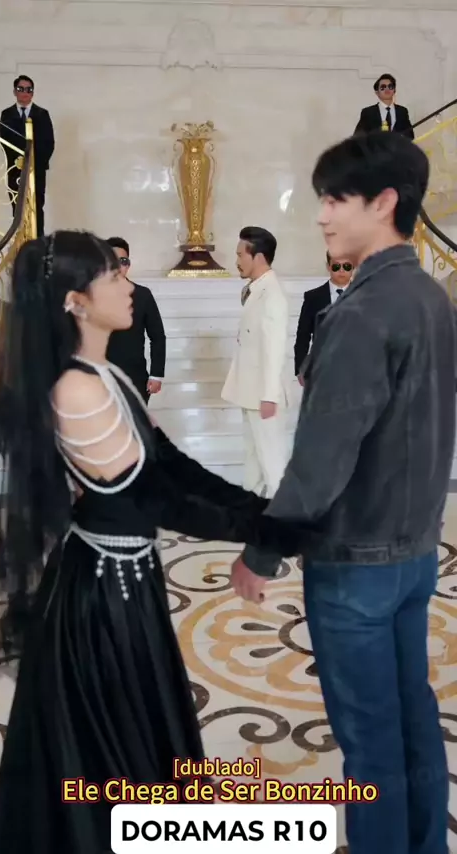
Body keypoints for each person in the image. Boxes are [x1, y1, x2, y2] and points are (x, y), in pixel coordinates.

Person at [0, 230, 297, 854]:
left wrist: (266, 514)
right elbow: (156, 499)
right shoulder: (76, 388)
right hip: (101, 600)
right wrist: (272, 529)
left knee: (140, 742)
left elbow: (176, 468)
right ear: (75, 300)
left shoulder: (104, 375)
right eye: (114, 276)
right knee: (113, 753)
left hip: (125, 581)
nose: (128, 285)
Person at [231, 131, 455, 854]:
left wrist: (261, 552)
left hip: (357, 562)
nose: (322, 215)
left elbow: (322, 459)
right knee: (412, 715)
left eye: (335, 199)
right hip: (415, 551)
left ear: (384, 202)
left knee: (370, 742)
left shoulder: (361, 313)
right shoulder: (430, 296)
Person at [221, 226, 290, 497]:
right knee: (254, 462)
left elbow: (274, 350)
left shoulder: (272, 295)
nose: (236, 261)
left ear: (258, 257)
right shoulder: (257, 289)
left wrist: (269, 396)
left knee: (273, 465)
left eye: (240, 255)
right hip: (251, 393)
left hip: (263, 396)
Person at [106, 236, 166, 403]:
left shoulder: (142, 295)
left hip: (135, 378)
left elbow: (157, 336)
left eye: (123, 261)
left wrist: (156, 374)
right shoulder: (91, 295)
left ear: (128, 264)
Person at [0, 75, 55, 235]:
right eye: (21, 89)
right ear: (15, 91)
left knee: (37, 207)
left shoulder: (42, 114)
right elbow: (4, 141)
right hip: (15, 169)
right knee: (17, 207)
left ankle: (38, 243)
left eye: (29, 89)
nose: (25, 92)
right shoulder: (7, 114)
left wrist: (34, 163)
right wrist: (18, 162)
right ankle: (20, 242)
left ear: (33, 92)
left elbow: (49, 143)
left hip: (37, 170)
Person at [294, 251, 353, 384]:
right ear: (328, 267)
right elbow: (303, 336)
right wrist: (300, 368)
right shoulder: (313, 298)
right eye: (336, 266)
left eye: (347, 266)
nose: (342, 271)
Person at [354, 74, 414, 139]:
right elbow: (357, 137)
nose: (387, 89)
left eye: (390, 86)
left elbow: (410, 136)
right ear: (377, 92)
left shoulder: (402, 111)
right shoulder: (368, 112)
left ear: (394, 91)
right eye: (383, 87)